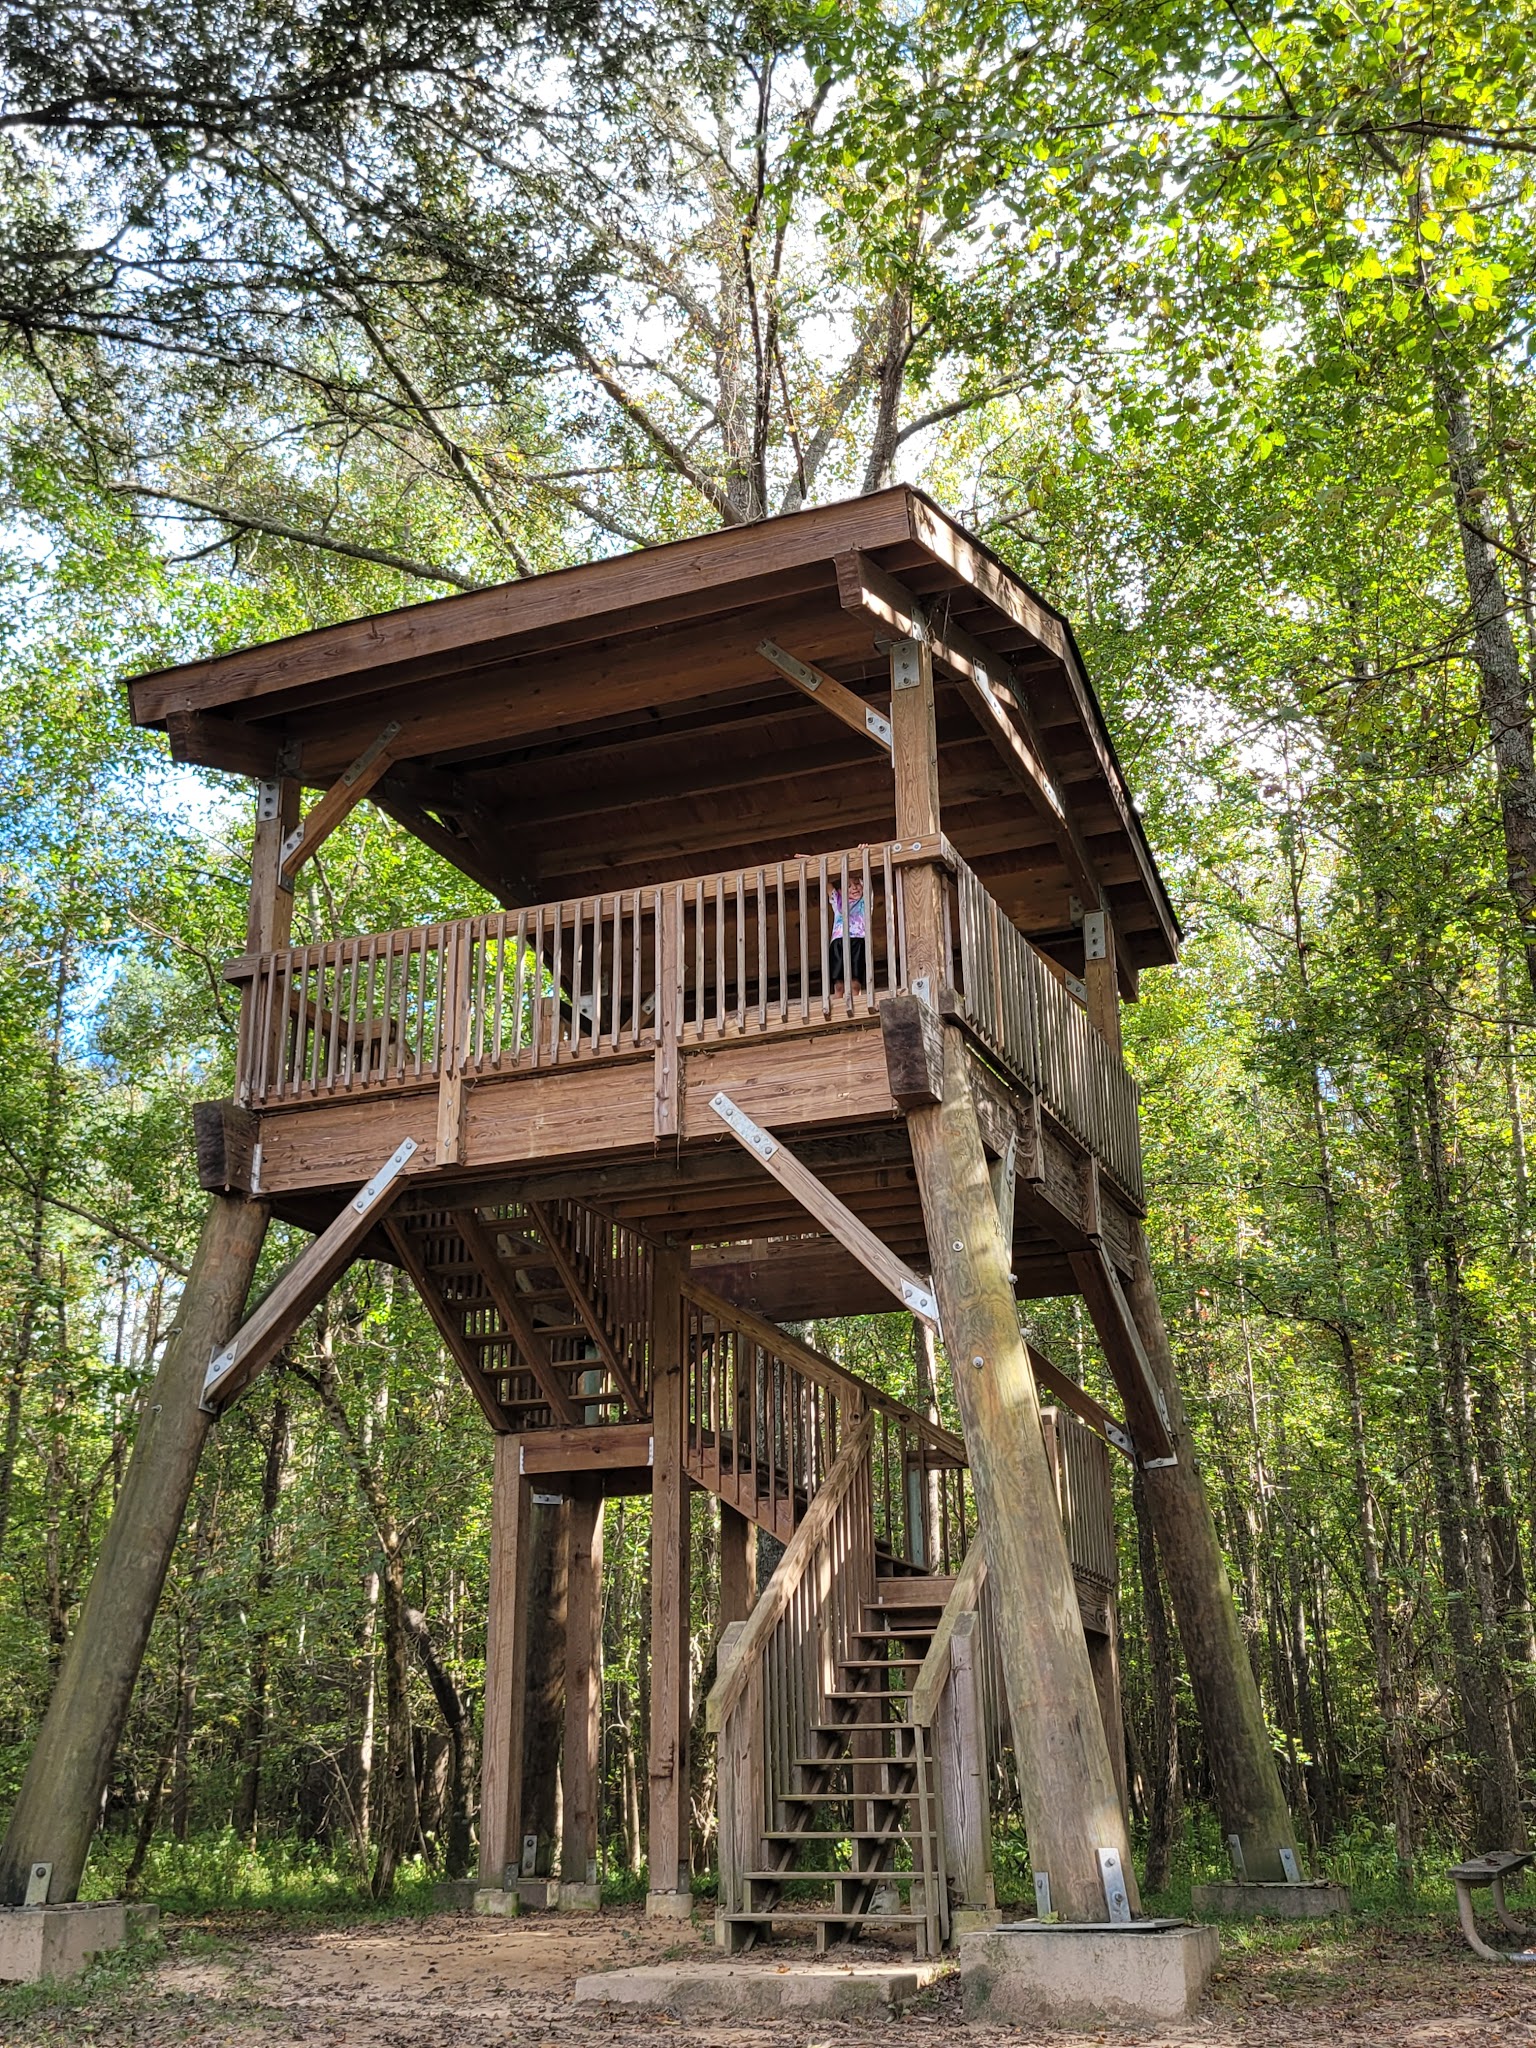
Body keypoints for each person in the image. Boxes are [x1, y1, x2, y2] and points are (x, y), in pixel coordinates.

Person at [829, 866, 867, 998]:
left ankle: (856, 1001)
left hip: (858, 940)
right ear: (841, 891)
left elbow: (867, 875)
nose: (854, 888)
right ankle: (838, 1004)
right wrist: (814, 861)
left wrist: (862, 854)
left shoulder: (865, 900)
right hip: (838, 941)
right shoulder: (837, 902)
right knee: (839, 985)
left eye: (857, 884)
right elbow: (825, 881)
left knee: (855, 983)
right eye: (849, 886)